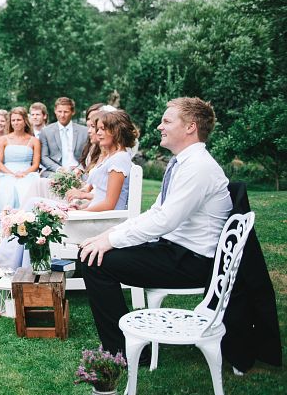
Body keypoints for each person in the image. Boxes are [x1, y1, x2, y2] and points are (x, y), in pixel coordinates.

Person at [79, 98, 232, 356]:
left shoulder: (199, 167)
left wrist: (110, 241)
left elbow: (165, 221)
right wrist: (109, 234)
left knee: (94, 261)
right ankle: (122, 344)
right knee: (93, 253)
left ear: (190, 127)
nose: (160, 126)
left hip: (192, 261)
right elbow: (156, 212)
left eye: (167, 121)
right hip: (174, 251)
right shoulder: (184, 163)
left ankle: (122, 350)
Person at [0, 109, 138, 272]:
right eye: (97, 129)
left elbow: (109, 204)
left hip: (99, 223)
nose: (98, 133)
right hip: (92, 215)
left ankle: (7, 259)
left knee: (34, 205)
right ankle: (11, 259)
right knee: (34, 205)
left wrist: (79, 212)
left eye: (102, 129)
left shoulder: (119, 160)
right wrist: (80, 206)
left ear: (116, 131)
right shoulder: (113, 157)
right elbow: (100, 196)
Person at [0, 107, 41, 216]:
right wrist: (11, 173)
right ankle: (6, 219)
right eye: (13, 120)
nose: (16, 123)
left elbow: (36, 164)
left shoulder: (34, 141)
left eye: (18, 120)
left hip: (27, 173)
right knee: (7, 189)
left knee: (25, 188)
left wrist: (24, 173)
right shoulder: (3, 139)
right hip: (7, 173)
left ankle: (26, 220)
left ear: (25, 121)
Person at [40, 97, 88, 177]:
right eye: (59, 111)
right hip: (55, 172)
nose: (62, 115)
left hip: (78, 172)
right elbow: (43, 157)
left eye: (66, 112)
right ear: (55, 111)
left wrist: (79, 168)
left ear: (73, 112)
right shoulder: (46, 132)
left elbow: (88, 155)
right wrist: (58, 169)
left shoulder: (84, 131)